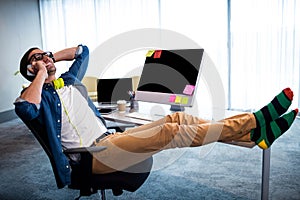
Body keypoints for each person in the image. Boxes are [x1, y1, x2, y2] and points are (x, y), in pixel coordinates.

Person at [15, 44, 298, 187]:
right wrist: (40, 73)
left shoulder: (70, 79)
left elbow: (82, 50)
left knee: (174, 121)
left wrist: (51, 56)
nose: (45, 59)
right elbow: (26, 109)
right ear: (30, 70)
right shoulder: (34, 96)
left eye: (46, 54)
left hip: (109, 139)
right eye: (36, 59)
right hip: (89, 156)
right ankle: (252, 123)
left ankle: (251, 137)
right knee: (169, 133)